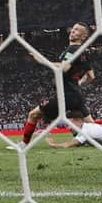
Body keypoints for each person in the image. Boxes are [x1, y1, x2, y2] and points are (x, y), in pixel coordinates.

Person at [10, 22, 95, 150]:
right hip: (77, 95)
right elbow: (91, 76)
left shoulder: (72, 50)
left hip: (65, 95)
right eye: (73, 29)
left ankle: (23, 145)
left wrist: (42, 60)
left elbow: (64, 68)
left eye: (77, 30)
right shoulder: (83, 52)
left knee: (33, 115)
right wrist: (79, 83)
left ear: (83, 37)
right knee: (94, 127)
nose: (73, 31)